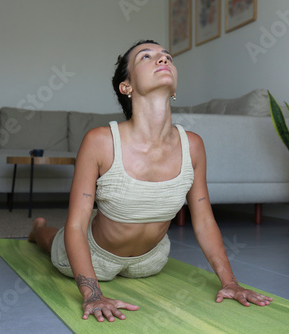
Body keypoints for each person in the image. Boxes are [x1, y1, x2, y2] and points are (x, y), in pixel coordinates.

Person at [28, 39, 273, 323]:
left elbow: (204, 220)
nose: (163, 60)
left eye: (167, 56)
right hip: (96, 255)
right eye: (147, 56)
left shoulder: (192, 145)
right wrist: (92, 293)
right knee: (54, 242)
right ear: (126, 86)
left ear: (175, 86)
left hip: (151, 261)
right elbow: (76, 225)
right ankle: (39, 230)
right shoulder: (99, 141)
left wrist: (230, 281)